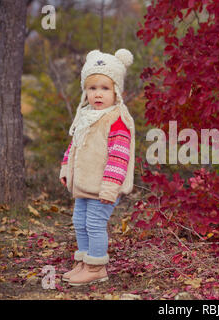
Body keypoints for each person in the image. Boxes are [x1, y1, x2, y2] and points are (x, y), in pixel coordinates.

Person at [58, 49, 136, 286]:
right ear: (86, 91)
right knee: (79, 221)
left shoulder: (117, 119)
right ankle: (84, 261)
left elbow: (119, 157)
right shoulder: (86, 115)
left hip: (104, 187)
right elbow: (75, 146)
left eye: (105, 88)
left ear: (116, 91)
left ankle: (96, 267)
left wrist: (110, 188)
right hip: (85, 183)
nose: (98, 94)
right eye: (92, 89)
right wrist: (65, 169)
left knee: (94, 223)